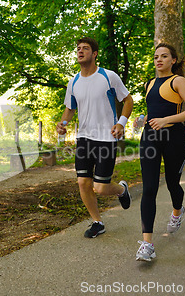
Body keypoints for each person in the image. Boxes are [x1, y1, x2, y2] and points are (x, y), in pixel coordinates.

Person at [56, 37, 134, 238]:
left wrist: (121, 123)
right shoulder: (73, 82)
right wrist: (62, 125)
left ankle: (121, 190)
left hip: (106, 138)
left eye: (85, 48)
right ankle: (97, 222)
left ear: (95, 53)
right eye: (78, 48)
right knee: (83, 182)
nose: (80, 51)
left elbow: (127, 100)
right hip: (84, 138)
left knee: (100, 187)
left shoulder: (108, 77)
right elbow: (69, 109)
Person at [135, 43, 185, 261]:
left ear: (173, 60)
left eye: (164, 56)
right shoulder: (149, 83)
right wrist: (143, 119)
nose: (159, 60)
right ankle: (147, 244)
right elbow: (154, 110)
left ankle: (177, 212)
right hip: (151, 138)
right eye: (156, 57)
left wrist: (166, 120)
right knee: (150, 188)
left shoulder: (178, 81)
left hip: (175, 139)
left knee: (173, 183)